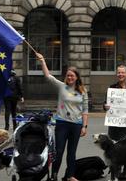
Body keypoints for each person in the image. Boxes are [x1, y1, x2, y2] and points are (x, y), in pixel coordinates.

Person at [36, 52, 88, 181]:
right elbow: (48, 76)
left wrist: (84, 126)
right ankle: (54, 175)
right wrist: (42, 61)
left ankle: (70, 176)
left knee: (71, 153)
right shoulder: (61, 87)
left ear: (77, 77)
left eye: (72, 75)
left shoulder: (82, 91)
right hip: (62, 123)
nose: (69, 77)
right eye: (68, 75)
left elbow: (85, 110)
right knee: (59, 151)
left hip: (76, 125)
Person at [103, 65, 126, 143]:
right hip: (115, 126)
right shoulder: (112, 88)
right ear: (117, 74)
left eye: (123, 72)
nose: (120, 74)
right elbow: (105, 103)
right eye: (119, 72)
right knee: (115, 149)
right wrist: (105, 106)